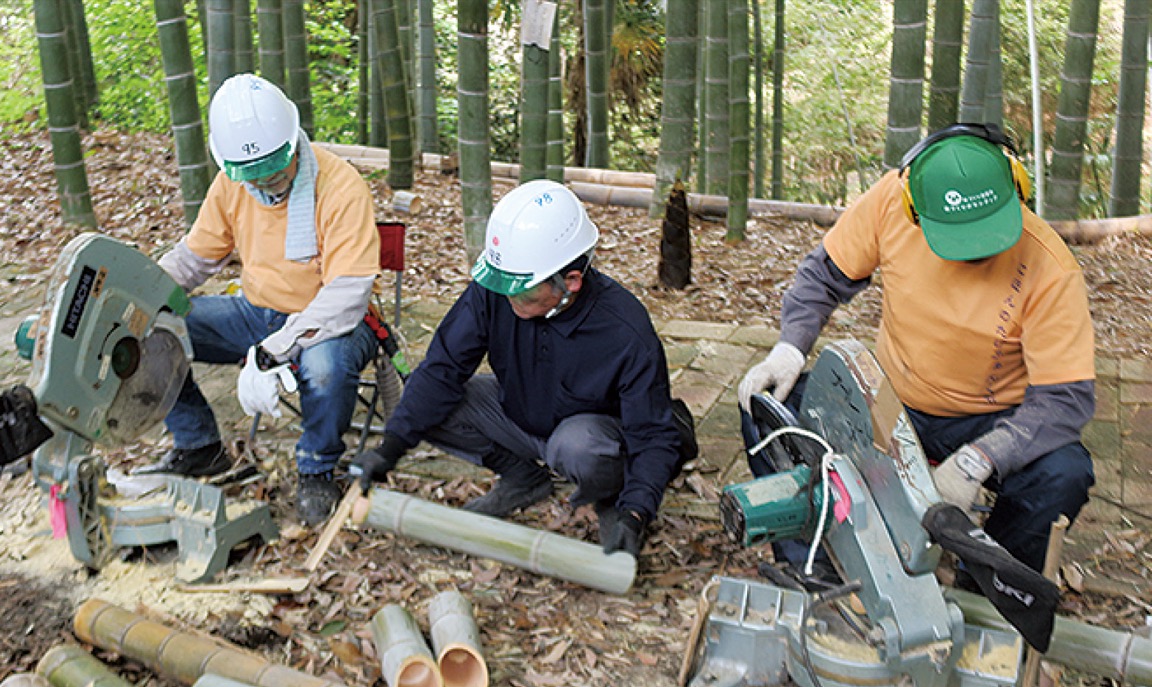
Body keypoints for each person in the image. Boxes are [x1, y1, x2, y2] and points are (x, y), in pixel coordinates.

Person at [738, 123, 1095, 574]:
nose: (974, 253)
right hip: (890, 397)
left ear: (1017, 188)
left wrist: (980, 458)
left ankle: (987, 581)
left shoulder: (1050, 266)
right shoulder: (892, 200)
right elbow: (823, 275)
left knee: (1064, 472)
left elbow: (1065, 399)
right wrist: (789, 348)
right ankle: (812, 566)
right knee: (768, 407)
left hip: (992, 418)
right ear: (915, 209)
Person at [354, 180, 695, 558]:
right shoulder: (496, 291)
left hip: (593, 439)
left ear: (571, 282)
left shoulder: (624, 331)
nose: (510, 297)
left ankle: (610, 499)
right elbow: (442, 368)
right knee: (425, 393)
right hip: (519, 416)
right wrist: (390, 448)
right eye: (505, 286)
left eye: (524, 290)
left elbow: (651, 435)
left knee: (578, 445)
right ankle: (523, 477)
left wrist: (636, 511)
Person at [143, 73, 381, 525]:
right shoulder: (230, 186)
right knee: (152, 327)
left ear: (293, 142)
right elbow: (192, 261)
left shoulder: (340, 186)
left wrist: (275, 350)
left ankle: (316, 468)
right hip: (257, 314)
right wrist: (138, 297)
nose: (267, 183)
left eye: (275, 169)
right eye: (252, 176)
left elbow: (347, 297)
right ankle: (197, 445)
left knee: (324, 368)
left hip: (335, 323)